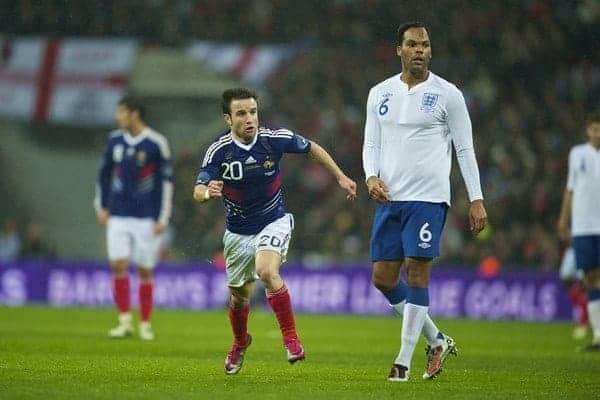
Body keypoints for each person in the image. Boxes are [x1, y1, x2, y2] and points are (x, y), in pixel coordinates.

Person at [193, 88, 357, 375]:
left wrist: (341, 176)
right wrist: (208, 192)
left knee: (267, 272)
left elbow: (312, 148)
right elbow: (197, 190)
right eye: (241, 113)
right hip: (237, 234)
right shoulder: (218, 151)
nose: (249, 119)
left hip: (274, 221)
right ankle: (240, 342)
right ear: (227, 118)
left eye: (253, 112)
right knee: (239, 297)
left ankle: (291, 339)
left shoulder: (273, 140)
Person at [362, 22, 488, 382]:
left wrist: (476, 199)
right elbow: (371, 142)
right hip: (389, 199)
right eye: (412, 44)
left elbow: (464, 149)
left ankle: (402, 361)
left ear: (431, 51)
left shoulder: (448, 94)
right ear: (399, 50)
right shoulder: (379, 93)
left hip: (428, 199)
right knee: (383, 278)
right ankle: (436, 340)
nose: (419, 50)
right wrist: (371, 175)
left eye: (425, 45)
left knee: (417, 271)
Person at [94, 96, 173, 341]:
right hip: (118, 214)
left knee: (144, 270)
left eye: (122, 112)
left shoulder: (156, 143)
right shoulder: (114, 140)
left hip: (146, 217)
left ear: (135, 113)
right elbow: (103, 175)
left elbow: (166, 182)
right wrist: (101, 206)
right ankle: (125, 321)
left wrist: (163, 216)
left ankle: (146, 323)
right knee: (118, 265)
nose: (118, 117)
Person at [558, 111, 600, 351]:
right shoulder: (578, 154)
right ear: (588, 130)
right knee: (590, 278)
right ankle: (598, 336)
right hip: (583, 226)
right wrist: (564, 219)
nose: (597, 133)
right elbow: (570, 188)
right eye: (594, 129)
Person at [558, 246, 589, 340]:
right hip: (580, 280)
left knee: (586, 300)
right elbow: (565, 276)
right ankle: (584, 324)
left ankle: (584, 325)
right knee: (584, 301)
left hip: (584, 278)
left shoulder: (573, 251)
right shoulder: (571, 251)